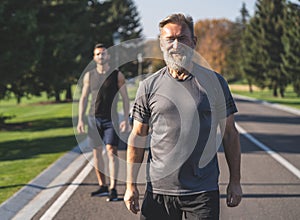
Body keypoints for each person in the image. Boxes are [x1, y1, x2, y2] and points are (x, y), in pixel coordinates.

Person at [124, 13, 242, 219]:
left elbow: (230, 134)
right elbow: (137, 135)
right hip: (159, 190)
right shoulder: (148, 86)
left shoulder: (215, 82)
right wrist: (130, 185)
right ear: (161, 43)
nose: (176, 45)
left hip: (202, 191)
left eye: (182, 38)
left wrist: (235, 181)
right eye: (170, 39)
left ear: (193, 42)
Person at [77, 43, 129, 201]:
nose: (101, 56)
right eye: (98, 54)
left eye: (103, 53)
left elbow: (125, 98)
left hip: (110, 119)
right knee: (96, 153)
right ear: (94, 57)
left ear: (108, 56)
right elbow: (84, 98)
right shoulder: (89, 76)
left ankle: (113, 188)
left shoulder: (116, 75)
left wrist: (126, 119)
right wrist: (80, 119)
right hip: (93, 119)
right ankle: (103, 186)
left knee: (112, 152)